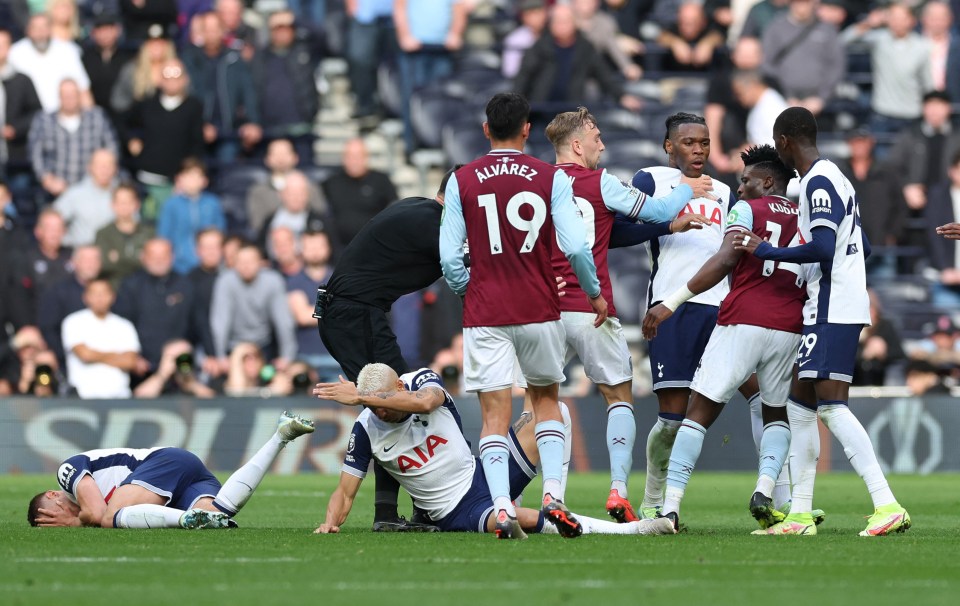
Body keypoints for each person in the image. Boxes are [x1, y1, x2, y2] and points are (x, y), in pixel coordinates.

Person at [734, 106, 911, 536]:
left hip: (832, 306)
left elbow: (826, 248)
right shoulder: (836, 178)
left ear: (784, 142)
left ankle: (886, 503)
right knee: (799, 407)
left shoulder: (816, 181)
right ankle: (799, 514)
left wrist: (766, 250)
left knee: (831, 407)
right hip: (832, 301)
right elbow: (862, 244)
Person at [439, 92, 607, 539]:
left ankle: (500, 507)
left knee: (494, 417)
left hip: (485, 313)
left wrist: (467, 291)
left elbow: (450, 260)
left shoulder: (462, 179)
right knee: (547, 402)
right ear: (528, 130)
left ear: (485, 129)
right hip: (539, 308)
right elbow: (574, 246)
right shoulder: (550, 176)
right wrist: (592, 292)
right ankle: (553, 495)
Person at [536, 107, 709, 521]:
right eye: (596, 136)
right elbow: (654, 210)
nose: (603, 144)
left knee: (544, 402)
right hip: (592, 308)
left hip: (543, 311)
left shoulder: (536, 185)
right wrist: (689, 188)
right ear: (577, 145)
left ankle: (551, 494)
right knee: (618, 396)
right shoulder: (601, 183)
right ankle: (617, 492)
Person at [642, 145, 807, 531]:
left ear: (768, 182)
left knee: (697, 412)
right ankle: (766, 490)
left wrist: (672, 302)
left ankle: (670, 507)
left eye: (747, 179)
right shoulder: (804, 217)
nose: (740, 185)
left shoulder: (747, 209)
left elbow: (724, 259)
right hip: (788, 327)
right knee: (775, 411)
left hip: (743, 320)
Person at [313, 363, 676, 537]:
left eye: (385, 400)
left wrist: (362, 396)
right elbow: (344, 494)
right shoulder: (364, 429)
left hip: (485, 471)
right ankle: (633, 531)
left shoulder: (421, 381)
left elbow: (426, 403)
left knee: (556, 415)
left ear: (398, 385)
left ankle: (556, 499)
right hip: (458, 509)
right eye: (374, 407)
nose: (381, 410)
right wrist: (329, 524)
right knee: (521, 522)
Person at [315, 167, 457, 533]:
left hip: (354, 313)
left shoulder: (422, 212)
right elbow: (470, 263)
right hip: (353, 313)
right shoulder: (434, 222)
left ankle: (387, 513)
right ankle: (397, 512)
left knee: (393, 400)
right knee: (395, 400)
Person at [625, 112, 737, 520]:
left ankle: (779, 502)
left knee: (765, 398)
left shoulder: (726, 192)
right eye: (689, 142)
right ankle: (654, 501)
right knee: (671, 418)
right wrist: (671, 221)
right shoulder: (651, 179)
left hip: (724, 310)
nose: (699, 150)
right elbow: (620, 229)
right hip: (673, 306)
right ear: (669, 146)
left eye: (704, 143)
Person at [27, 411, 315, 528]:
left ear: (53, 495)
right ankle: (281, 436)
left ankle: (187, 520)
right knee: (219, 513)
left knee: (110, 518)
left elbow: (97, 513)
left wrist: (75, 522)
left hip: (163, 463)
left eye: (51, 515)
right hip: (179, 476)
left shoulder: (67, 472)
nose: (59, 519)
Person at [514, 3, 641, 111]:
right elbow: (523, 77)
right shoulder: (539, 47)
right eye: (557, 21)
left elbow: (603, 75)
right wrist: (516, 105)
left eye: (566, 21)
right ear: (551, 24)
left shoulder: (585, 48)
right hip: (542, 110)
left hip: (573, 113)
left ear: (575, 22)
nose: (561, 26)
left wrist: (622, 96)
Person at [124, 57, 206, 219]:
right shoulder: (146, 105)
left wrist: (186, 178)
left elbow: (197, 145)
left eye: (176, 76)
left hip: (179, 184)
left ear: (185, 79)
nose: (172, 81)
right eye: (167, 76)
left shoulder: (194, 107)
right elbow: (125, 124)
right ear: (160, 79)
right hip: (148, 180)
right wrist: (131, 139)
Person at [180, 11, 261, 161]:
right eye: (207, 29)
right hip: (197, 132)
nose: (211, 34)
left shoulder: (234, 58)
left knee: (228, 172)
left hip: (229, 131)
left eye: (215, 29)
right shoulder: (190, 59)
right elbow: (186, 94)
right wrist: (200, 125)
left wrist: (253, 122)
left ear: (223, 31)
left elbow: (248, 92)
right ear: (201, 32)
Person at [842, 3, 933, 134]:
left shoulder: (922, 46)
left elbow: (927, 82)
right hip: (883, 114)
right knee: (881, 154)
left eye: (902, 18)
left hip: (912, 114)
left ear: (912, 21)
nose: (897, 23)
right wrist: (868, 23)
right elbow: (844, 40)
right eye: (893, 17)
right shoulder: (880, 39)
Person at [393, 0, 469, 154]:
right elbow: (399, 7)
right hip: (414, 51)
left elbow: (459, 9)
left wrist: (455, 33)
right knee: (412, 100)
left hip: (442, 50)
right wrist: (404, 35)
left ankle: (442, 150)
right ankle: (412, 147)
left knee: (443, 102)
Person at [114, 238, 201, 372]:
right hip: (141, 365)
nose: (159, 260)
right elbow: (121, 325)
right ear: (143, 257)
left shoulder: (186, 285)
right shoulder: (130, 285)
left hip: (181, 362)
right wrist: (134, 357)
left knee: (192, 382)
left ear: (172, 257)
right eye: (153, 256)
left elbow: (198, 325)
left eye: (163, 255)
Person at [210, 242, 297, 372]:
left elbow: (283, 320)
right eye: (241, 261)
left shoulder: (273, 281)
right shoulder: (225, 281)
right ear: (234, 264)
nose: (246, 266)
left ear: (261, 263)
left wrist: (287, 356)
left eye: (250, 261)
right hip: (234, 345)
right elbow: (220, 322)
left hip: (264, 345)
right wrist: (220, 356)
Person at [28, 79, 118, 199]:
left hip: (91, 188)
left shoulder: (97, 117)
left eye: (73, 95)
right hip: (55, 190)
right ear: (59, 97)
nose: (69, 99)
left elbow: (112, 148)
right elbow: (35, 153)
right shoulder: (44, 120)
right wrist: (47, 179)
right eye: (65, 95)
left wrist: (102, 175)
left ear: (80, 96)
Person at [250, 10, 319, 161]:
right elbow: (252, 91)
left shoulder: (304, 51)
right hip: (269, 131)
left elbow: (322, 35)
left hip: (301, 130)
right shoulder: (260, 57)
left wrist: (296, 19)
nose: (282, 33)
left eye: (286, 27)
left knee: (304, 177)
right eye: (277, 28)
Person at [62, 279, 144, 398]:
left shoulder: (125, 325)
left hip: (119, 396)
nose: (100, 298)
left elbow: (130, 362)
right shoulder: (73, 322)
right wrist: (117, 356)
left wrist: (95, 354)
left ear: (113, 297)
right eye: (95, 294)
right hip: (83, 397)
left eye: (104, 293)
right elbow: (85, 355)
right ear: (85, 297)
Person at [761, 0, 845, 116]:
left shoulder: (827, 29)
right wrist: (786, 96)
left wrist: (821, 98)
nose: (802, 6)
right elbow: (766, 64)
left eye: (806, 2)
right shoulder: (775, 28)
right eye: (798, 2)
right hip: (783, 103)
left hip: (818, 104)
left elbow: (836, 65)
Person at [8, 13, 91, 113]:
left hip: (61, 117)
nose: (40, 33)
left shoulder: (68, 50)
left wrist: (90, 118)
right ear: (28, 31)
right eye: (36, 28)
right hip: (27, 117)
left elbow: (83, 89)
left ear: (51, 29)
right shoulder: (14, 53)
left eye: (44, 27)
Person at [321, 138, 397, 246]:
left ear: (366, 157)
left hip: (375, 245)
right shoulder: (331, 183)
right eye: (350, 156)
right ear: (344, 159)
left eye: (358, 156)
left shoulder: (381, 181)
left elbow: (394, 211)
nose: (354, 161)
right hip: (340, 247)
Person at [157, 157, 226, 275]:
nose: (192, 180)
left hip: (208, 266)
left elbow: (220, 233)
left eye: (196, 176)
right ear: (179, 179)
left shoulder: (213, 203)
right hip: (179, 267)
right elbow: (164, 237)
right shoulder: (171, 205)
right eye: (188, 175)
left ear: (204, 181)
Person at [38, 244, 102, 368]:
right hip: (68, 360)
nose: (91, 264)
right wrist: (67, 357)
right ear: (74, 263)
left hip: (106, 360)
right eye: (86, 260)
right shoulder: (58, 291)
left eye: (95, 259)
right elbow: (49, 330)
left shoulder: (110, 291)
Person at [246, 138, 327, 235]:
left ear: (296, 157)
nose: (281, 158)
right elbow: (257, 225)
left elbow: (321, 215)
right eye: (275, 153)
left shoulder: (310, 186)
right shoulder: (258, 191)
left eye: (285, 153)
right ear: (267, 159)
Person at [286, 229, 337, 378]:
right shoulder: (294, 281)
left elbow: (347, 314)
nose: (315, 251)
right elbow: (302, 316)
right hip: (305, 359)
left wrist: (313, 310)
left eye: (319, 246)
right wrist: (333, 308)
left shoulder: (339, 278)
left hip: (336, 358)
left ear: (328, 248)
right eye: (310, 246)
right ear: (301, 250)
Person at [53, 148, 119, 247]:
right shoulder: (74, 194)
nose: (104, 169)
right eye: (99, 165)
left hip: (114, 256)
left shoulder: (123, 194)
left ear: (115, 168)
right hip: (81, 255)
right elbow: (52, 222)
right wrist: (68, 245)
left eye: (109, 165)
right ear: (90, 167)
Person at [0, 27, 43, 178]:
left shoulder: (22, 80)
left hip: (17, 156)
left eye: (3, 45)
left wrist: (15, 129)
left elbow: (36, 112)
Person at [95, 183, 155, 287]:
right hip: (114, 289)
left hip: (143, 288)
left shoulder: (149, 232)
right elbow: (105, 265)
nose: (124, 207)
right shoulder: (103, 234)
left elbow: (153, 264)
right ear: (112, 205)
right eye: (120, 202)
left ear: (137, 204)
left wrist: (119, 258)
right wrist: (137, 259)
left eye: (128, 202)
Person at [81, 14, 133, 120]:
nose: (104, 34)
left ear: (118, 30)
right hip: (92, 115)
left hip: (124, 115)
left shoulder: (129, 56)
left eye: (108, 29)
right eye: (100, 29)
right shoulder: (86, 57)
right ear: (93, 33)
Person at [731, 70, 788, 146]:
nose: (738, 99)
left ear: (753, 86)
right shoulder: (761, 103)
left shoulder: (772, 107)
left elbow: (781, 143)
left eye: (739, 94)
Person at [501, 0, 547, 79]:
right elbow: (510, 71)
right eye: (531, 14)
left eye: (538, 13)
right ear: (524, 17)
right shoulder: (515, 40)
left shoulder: (554, 34)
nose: (536, 18)